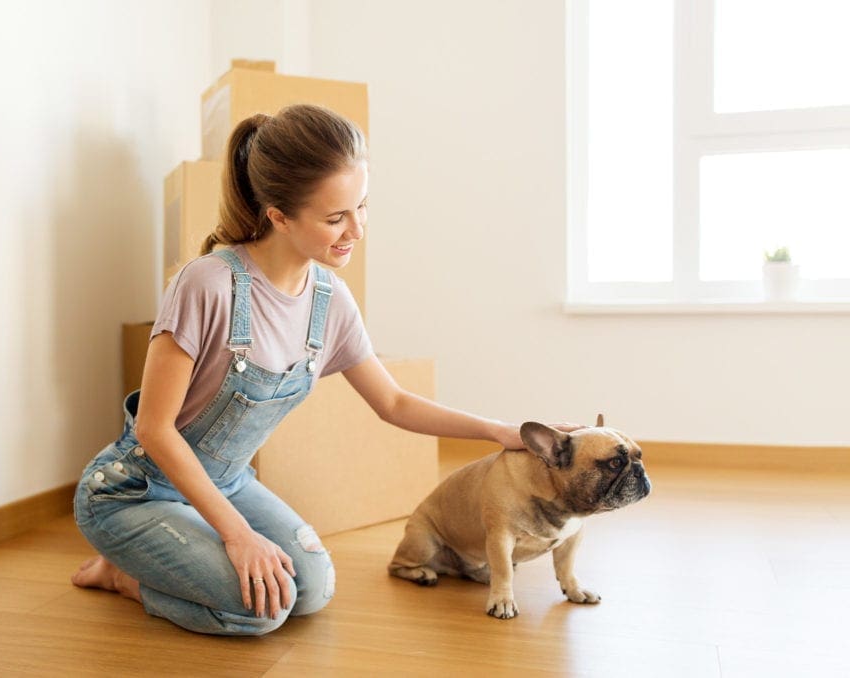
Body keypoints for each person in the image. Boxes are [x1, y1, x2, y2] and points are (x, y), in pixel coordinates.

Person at [70, 103, 580, 636]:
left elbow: (394, 403)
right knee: (259, 611)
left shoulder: (329, 298)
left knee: (312, 590)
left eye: (362, 206)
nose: (356, 228)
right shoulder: (208, 284)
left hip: (226, 485)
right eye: (335, 217)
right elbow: (155, 429)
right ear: (279, 216)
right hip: (135, 491)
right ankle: (125, 576)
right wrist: (237, 535)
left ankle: (177, 551)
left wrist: (500, 430)